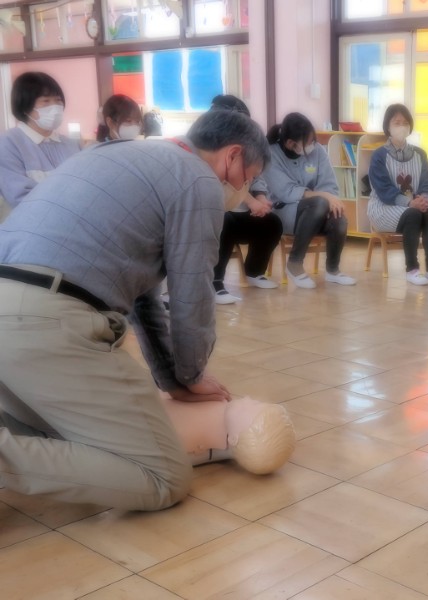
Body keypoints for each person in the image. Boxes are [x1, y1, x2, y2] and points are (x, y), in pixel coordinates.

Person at [0, 109, 269, 511]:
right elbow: (191, 295)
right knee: (164, 478)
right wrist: (192, 375)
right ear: (232, 156)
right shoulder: (198, 180)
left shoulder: (120, 154)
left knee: (57, 434)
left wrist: (174, 379)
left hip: (16, 309)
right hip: (45, 320)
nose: (245, 188)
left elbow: (143, 297)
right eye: (250, 177)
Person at [263, 112, 355, 289]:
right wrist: (324, 197)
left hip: (317, 210)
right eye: (308, 141)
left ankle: (333, 270)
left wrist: (328, 198)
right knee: (320, 202)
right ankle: (295, 263)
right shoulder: (271, 154)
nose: (313, 144)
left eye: (313, 139)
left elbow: (329, 185)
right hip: (285, 212)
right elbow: (287, 192)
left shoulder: (318, 151)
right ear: (291, 143)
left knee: (339, 218)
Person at [208, 94, 283, 303]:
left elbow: (255, 175)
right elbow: (221, 182)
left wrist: (260, 198)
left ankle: (254, 272)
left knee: (272, 223)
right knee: (224, 221)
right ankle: (215, 282)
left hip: (241, 210)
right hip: (217, 212)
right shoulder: (208, 147)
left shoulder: (245, 145)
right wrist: (251, 201)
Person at [367, 103, 428, 286]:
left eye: (405, 122)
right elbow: (384, 189)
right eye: (396, 122)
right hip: (383, 207)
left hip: (415, 205)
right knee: (413, 215)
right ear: (388, 126)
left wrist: (424, 200)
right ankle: (412, 269)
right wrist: (411, 203)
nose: (401, 126)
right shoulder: (379, 155)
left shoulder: (420, 154)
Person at [0, 71, 82, 220]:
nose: (55, 107)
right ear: (25, 107)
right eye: (46, 101)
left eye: (58, 100)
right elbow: (20, 197)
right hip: (29, 228)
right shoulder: (8, 144)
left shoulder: (70, 145)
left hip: (73, 224)